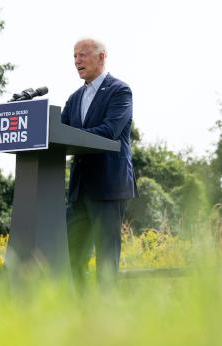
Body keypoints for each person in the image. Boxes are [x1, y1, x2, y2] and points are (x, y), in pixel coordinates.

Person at [61, 38, 136, 287]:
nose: (77, 61)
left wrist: (76, 136)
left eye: (82, 55)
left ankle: (107, 317)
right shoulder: (73, 99)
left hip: (108, 188)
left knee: (106, 260)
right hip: (79, 191)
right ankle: (83, 314)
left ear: (101, 57)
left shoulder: (120, 91)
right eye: (74, 56)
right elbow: (60, 134)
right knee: (72, 258)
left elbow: (110, 130)